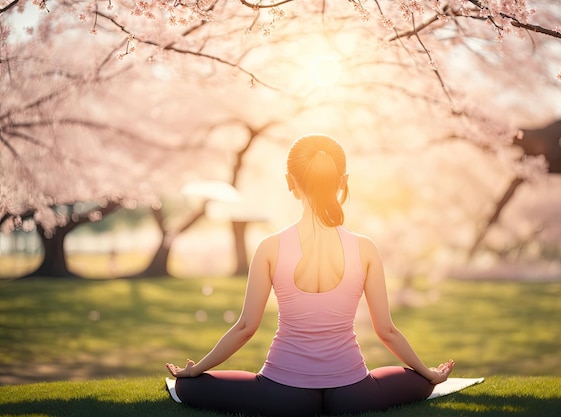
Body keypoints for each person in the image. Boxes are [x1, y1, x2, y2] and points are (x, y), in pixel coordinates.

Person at [166, 134, 454, 417]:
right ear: (343, 182)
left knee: (188, 387)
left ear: (290, 182)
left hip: (282, 394)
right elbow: (386, 331)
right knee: (416, 380)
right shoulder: (365, 249)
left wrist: (195, 370)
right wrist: (428, 373)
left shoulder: (270, 248)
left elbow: (245, 328)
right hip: (353, 394)